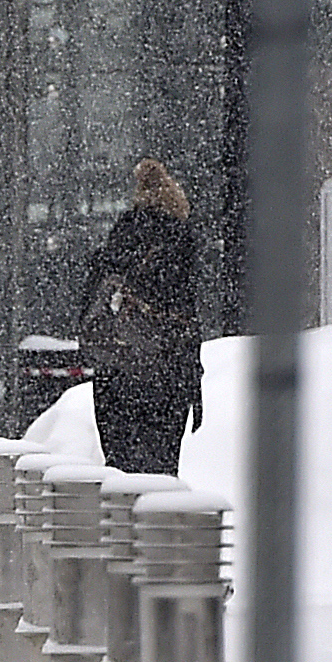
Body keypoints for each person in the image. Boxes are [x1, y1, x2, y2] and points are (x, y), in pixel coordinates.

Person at [75, 156, 202, 477]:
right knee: (161, 470)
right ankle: (157, 520)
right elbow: (187, 317)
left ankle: (121, 523)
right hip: (167, 375)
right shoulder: (181, 242)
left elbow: (91, 306)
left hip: (118, 370)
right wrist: (192, 386)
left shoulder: (120, 237)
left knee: (120, 468)